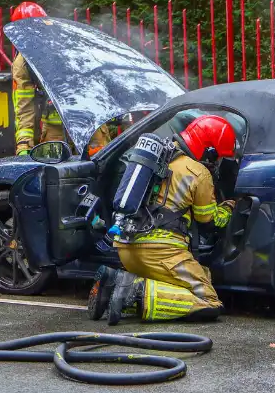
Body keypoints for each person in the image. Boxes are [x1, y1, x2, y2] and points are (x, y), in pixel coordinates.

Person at [87, 115, 238, 325]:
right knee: (208, 301)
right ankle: (132, 288)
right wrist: (230, 207)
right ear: (209, 150)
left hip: (125, 248)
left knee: (200, 275)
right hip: (162, 252)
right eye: (217, 157)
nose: (217, 163)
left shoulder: (158, 155)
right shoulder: (197, 172)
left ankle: (113, 285)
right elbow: (209, 220)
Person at [8, 1, 110, 156]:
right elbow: (24, 106)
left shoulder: (68, 43)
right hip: (54, 130)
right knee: (56, 175)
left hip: (89, 122)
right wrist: (24, 145)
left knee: (99, 168)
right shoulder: (23, 62)